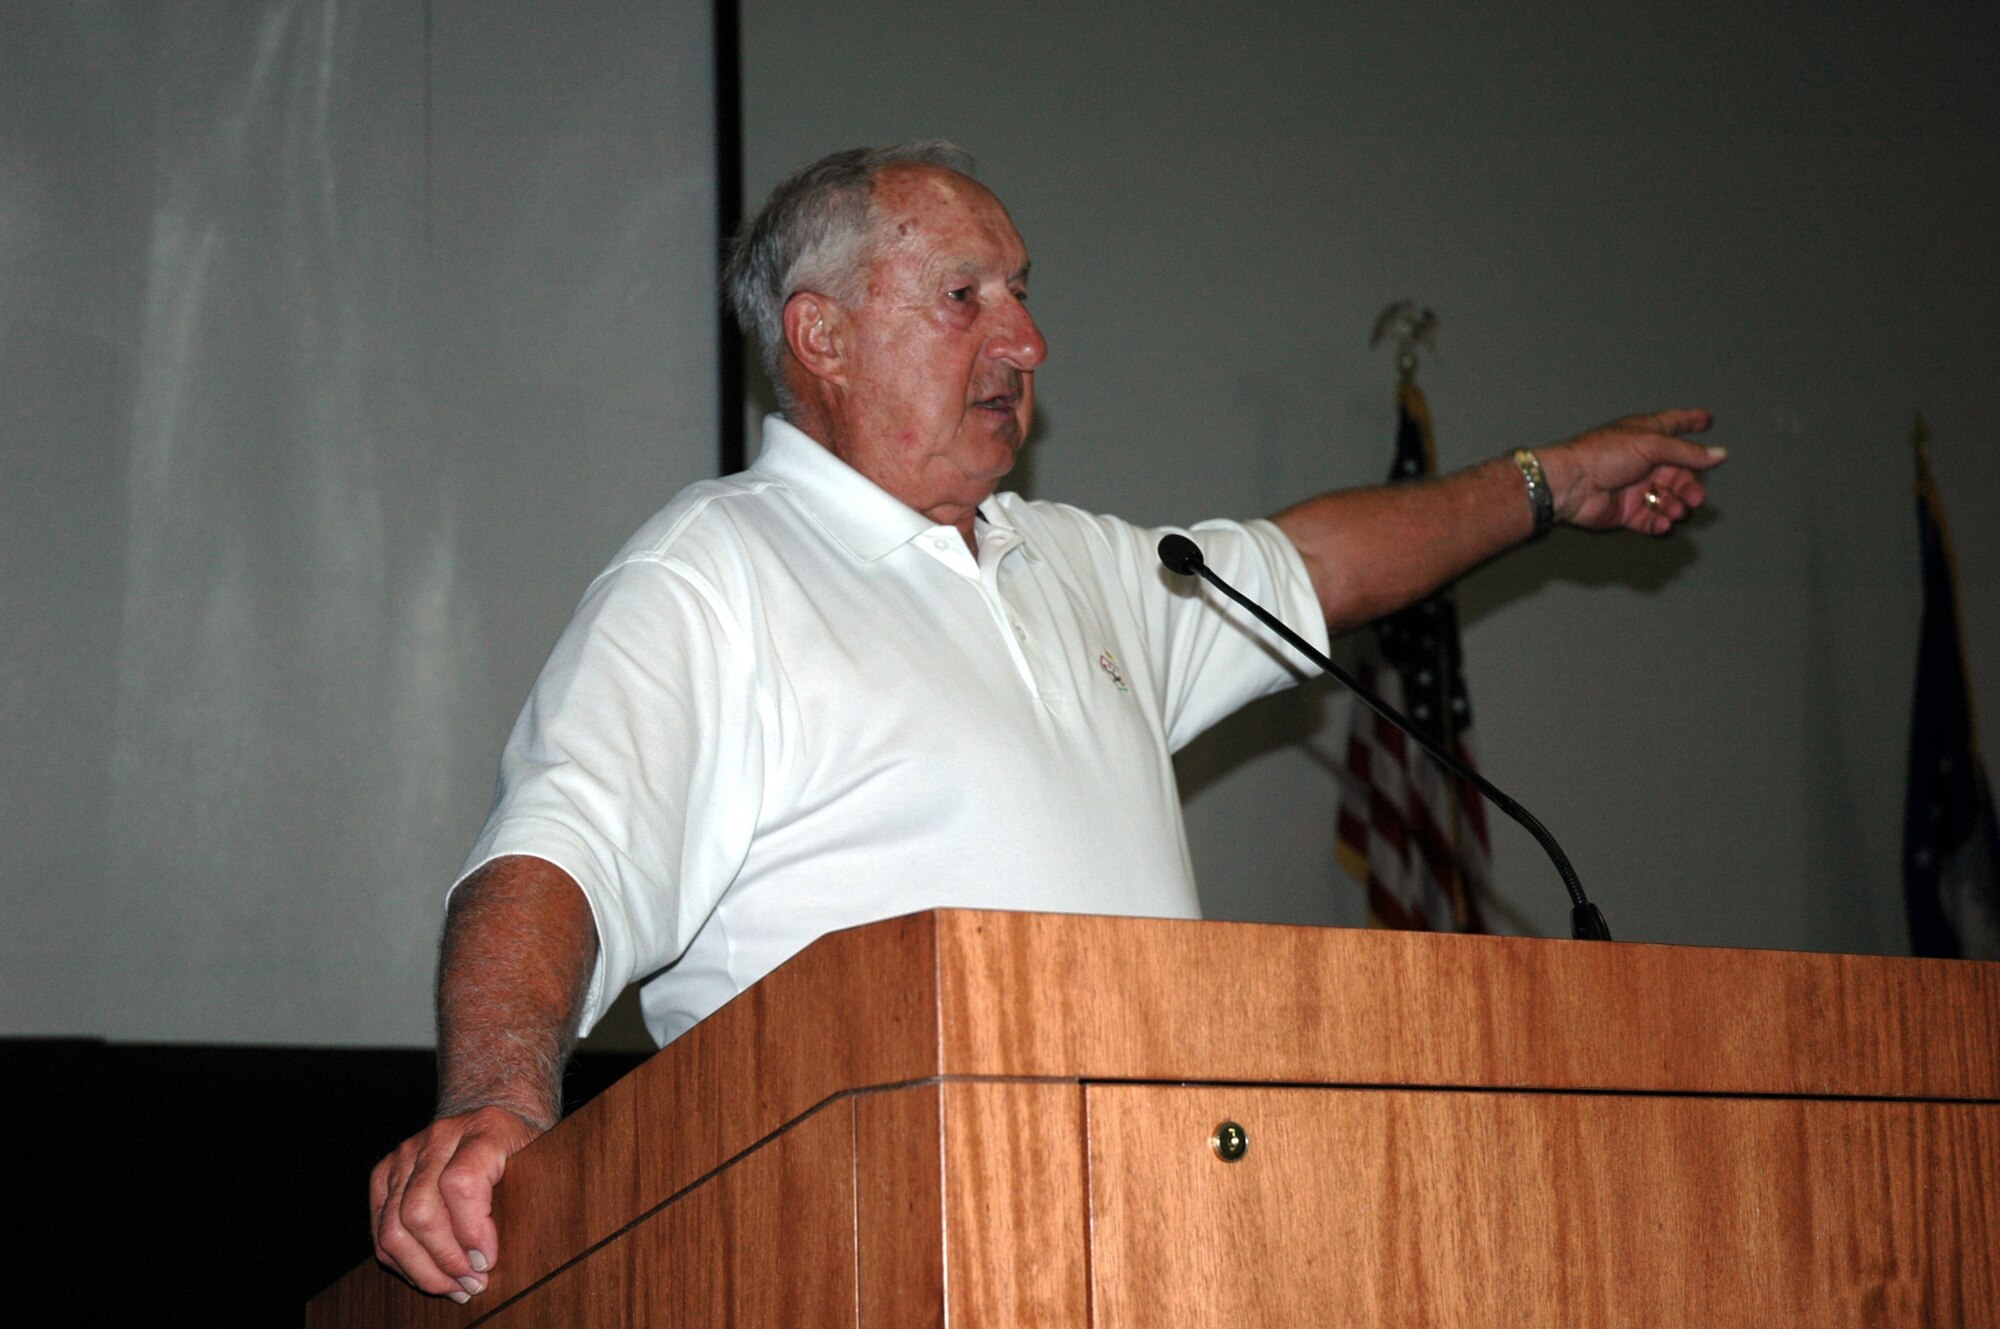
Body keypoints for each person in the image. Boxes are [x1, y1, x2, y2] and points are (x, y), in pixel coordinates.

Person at [369, 141, 1723, 1302]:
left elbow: (1323, 566)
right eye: (967, 297)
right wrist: (497, 1107)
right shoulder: (718, 572)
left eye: (1022, 296)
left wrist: (1547, 485)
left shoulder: (1076, 564)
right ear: (821, 334)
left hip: (1171, 1251)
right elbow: (561, 851)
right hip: (877, 1257)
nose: (1025, 342)